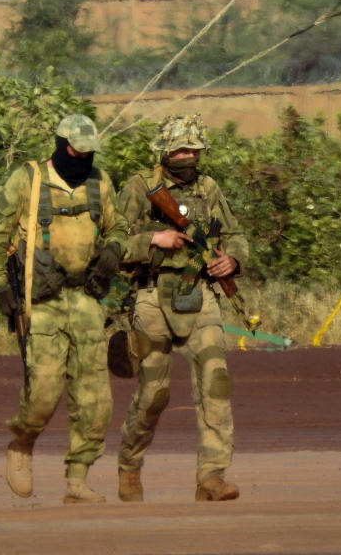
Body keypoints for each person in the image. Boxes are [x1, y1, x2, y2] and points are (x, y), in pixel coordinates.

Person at [0, 114, 127, 504]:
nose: (82, 157)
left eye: (89, 151)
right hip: (40, 302)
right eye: (76, 150)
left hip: (86, 300)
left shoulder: (100, 182)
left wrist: (114, 248)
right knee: (44, 391)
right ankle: (22, 443)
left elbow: (119, 227)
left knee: (95, 399)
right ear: (61, 144)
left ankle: (77, 479)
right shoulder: (26, 180)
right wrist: (0, 287)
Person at [116, 114, 248, 502]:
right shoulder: (141, 187)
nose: (187, 155)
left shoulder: (209, 187)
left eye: (193, 148)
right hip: (152, 298)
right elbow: (111, 243)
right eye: (179, 148)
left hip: (199, 294)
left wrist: (233, 261)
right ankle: (129, 465)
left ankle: (212, 476)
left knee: (216, 383)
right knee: (153, 395)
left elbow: (236, 234)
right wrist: (153, 239)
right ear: (164, 150)